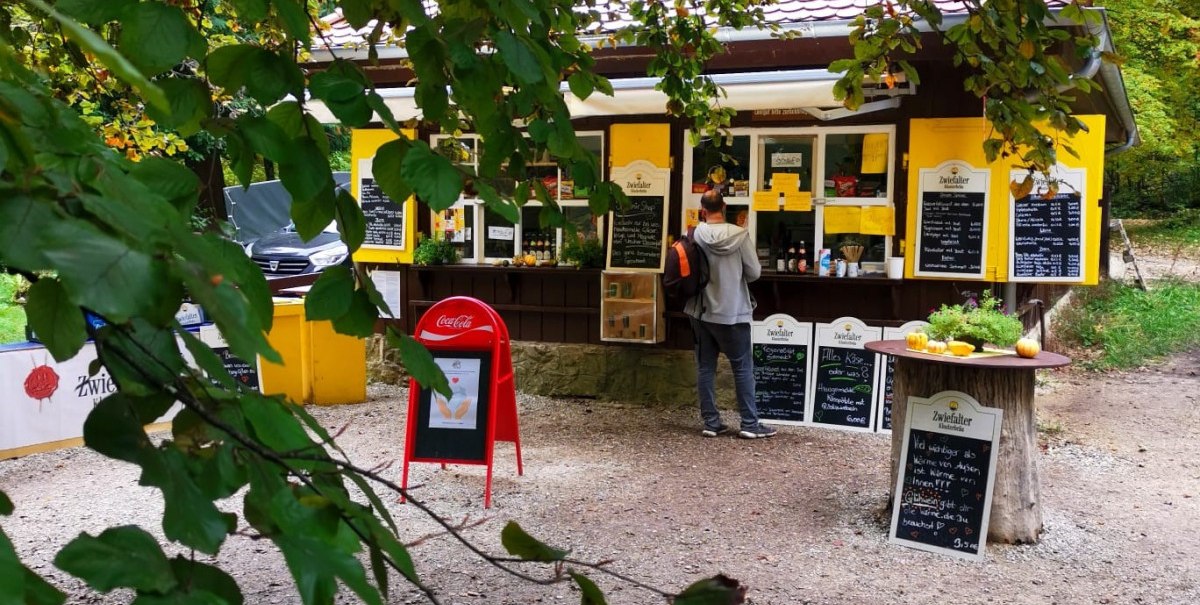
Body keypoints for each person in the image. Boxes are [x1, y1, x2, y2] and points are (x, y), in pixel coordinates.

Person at [684, 189, 776, 439]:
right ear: (724, 207)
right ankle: (749, 423)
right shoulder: (740, 235)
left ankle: (711, 423)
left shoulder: (695, 233)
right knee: (742, 367)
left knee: (705, 367)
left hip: (701, 310)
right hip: (733, 311)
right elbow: (754, 272)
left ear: (703, 210)